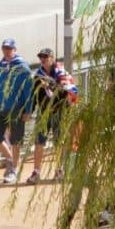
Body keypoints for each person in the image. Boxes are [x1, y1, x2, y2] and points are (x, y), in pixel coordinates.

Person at [0, 38, 37, 183]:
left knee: (16, 141)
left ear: (15, 49)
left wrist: (28, 110)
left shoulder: (22, 67)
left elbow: (28, 90)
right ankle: (10, 160)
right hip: (0, 108)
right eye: (4, 48)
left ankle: (13, 169)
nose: (7, 51)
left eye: (9, 48)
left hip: (17, 108)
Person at [29, 47, 77, 178]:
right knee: (39, 141)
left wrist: (51, 84)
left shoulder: (61, 72)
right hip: (44, 112)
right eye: (41, 57)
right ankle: (36, 171)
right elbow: (34, 95)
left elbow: (67, 89)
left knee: (59, 142)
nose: (43, 60)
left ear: (52, 58)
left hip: (59, 111)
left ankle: (59, 169)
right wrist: (30, 111)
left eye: (45, 57)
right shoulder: (38, 75)